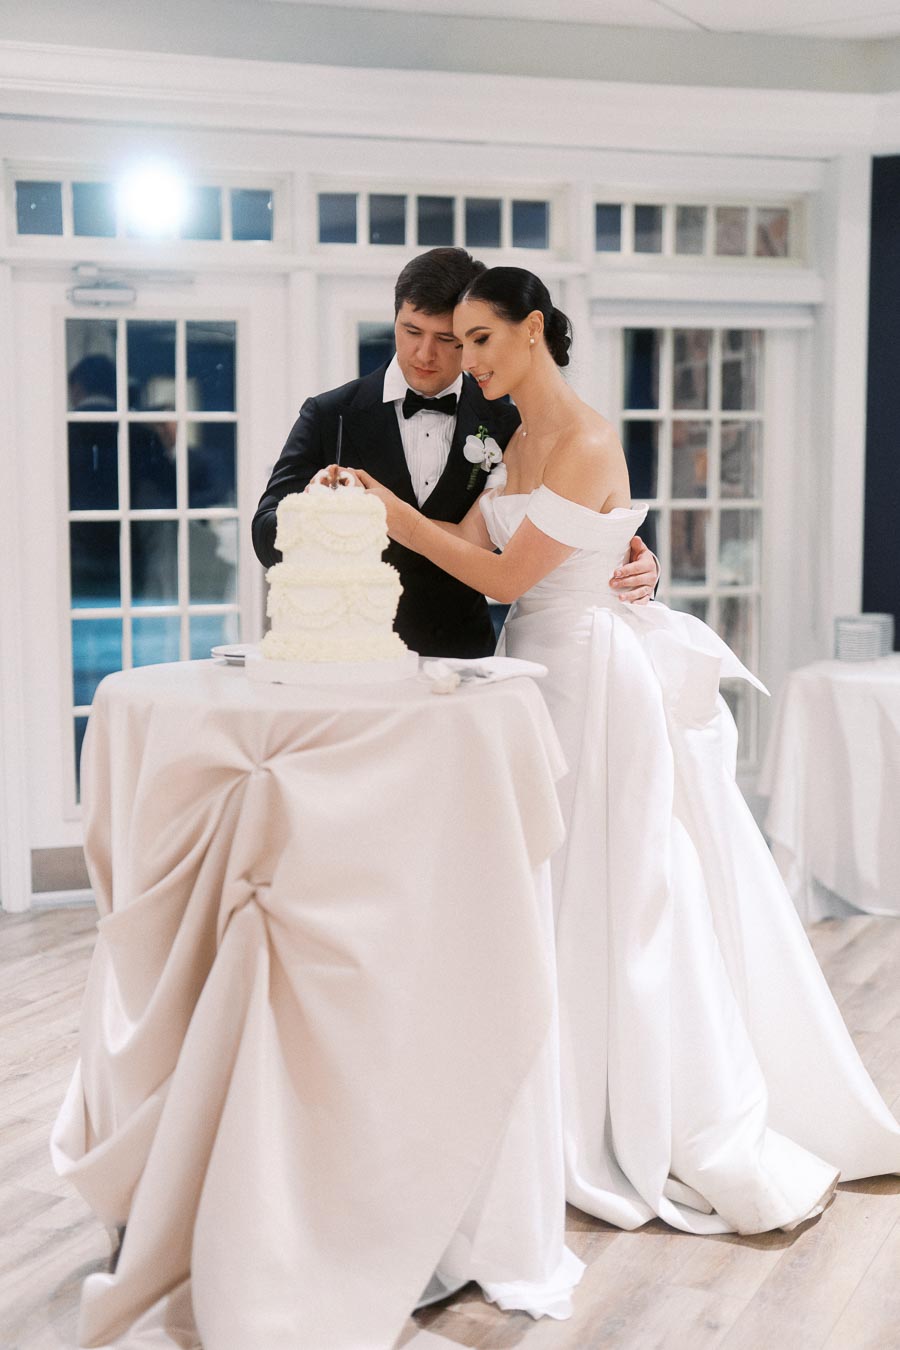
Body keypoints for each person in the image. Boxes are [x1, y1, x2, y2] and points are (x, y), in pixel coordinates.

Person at [349, 265, 900, 1237]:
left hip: (597, 683)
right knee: (550, 887)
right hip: (534, 675)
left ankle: (639, 1106)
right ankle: (554, 1100)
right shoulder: (511, 437)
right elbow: (463, 546)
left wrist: (393, 516)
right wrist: (373, 503)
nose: (465, 360)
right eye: (457, 342)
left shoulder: (589, 439)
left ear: (531, 330)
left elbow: (504, 575)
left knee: (618, 889)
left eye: (480, 339)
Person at [251, 248, 658, 657]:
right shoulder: (330, 414)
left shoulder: (507, 424)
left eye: (449, 340)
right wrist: (318, 512)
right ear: (395, 319)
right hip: (348, 651)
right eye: (411, 331)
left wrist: (638, 567)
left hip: (469, 657)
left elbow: (592, 524)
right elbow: (265, 533)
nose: (424, 353)